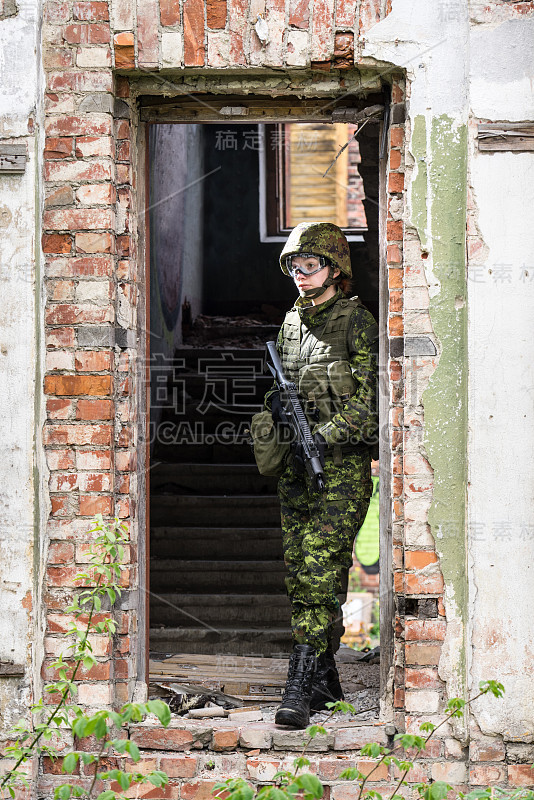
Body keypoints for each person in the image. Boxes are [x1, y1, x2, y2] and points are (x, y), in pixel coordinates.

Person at [264, 221, 379, 728]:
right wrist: (281, 411)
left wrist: (324, 434)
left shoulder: (358, 323)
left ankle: (298, 685)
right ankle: (327, 676)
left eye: (310, 266)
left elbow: (373, 405)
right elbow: (282, 386)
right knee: (304, 575)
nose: (301, 275)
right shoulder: (292, 322)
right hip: (296, 468)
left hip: (342, 471)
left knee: (317, 570)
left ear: (335, 269)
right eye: (294, 266)